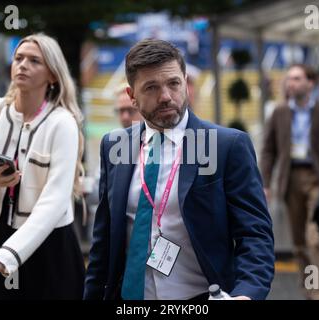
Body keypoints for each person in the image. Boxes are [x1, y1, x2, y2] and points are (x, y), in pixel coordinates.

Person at [83, 39, 274, 300]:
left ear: (185, 82)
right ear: (132, 97)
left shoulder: (225, 145)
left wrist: (246, 294)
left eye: (173, 83)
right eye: (151, 87)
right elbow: (103, 243)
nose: (165, 96)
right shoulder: (116, 146)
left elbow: (255, 234)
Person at [0, 34, 85, 299]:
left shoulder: (62, 123)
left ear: (52, 75)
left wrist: (13, 251)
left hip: (50, 243)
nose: (23, 65)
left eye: (34, 61)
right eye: (19, 58)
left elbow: (56, 198)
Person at [260, 64, 319, 300]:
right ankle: (309, 292)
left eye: (297, 78)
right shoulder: (280, 112)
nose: (291, 83)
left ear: (310, 83)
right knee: (300, 244)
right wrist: (266, 183)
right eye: (289, 79)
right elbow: (268, 150)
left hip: (318, 179)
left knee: (316, 239)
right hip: (291, 179)